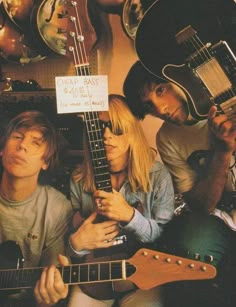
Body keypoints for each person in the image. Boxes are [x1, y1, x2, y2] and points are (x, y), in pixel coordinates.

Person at [123, 60, 236, 307]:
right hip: (221, 215)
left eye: (161, 90)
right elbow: (201, 205)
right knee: (192, 245)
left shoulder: (228, 97)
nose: (160, 107)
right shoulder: (168, 137)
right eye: (149, 105)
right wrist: (223, 152)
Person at [68, 94, 175, 306]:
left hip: (141, 280)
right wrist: (76, 245)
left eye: (116, 127)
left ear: (131, 132)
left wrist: (130, 216)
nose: (106, 136)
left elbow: (167, 240)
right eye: (100, 128)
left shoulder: (157, 176)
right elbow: (65, 244)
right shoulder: (78, 179)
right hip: (94, 280)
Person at [0, 110, 73, 306]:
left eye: (35, 143)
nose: (22, 145)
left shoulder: (57, 209)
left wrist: (48, 297)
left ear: (46, 162)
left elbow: (50, 278)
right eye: (17, 137)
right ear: (2, 150)